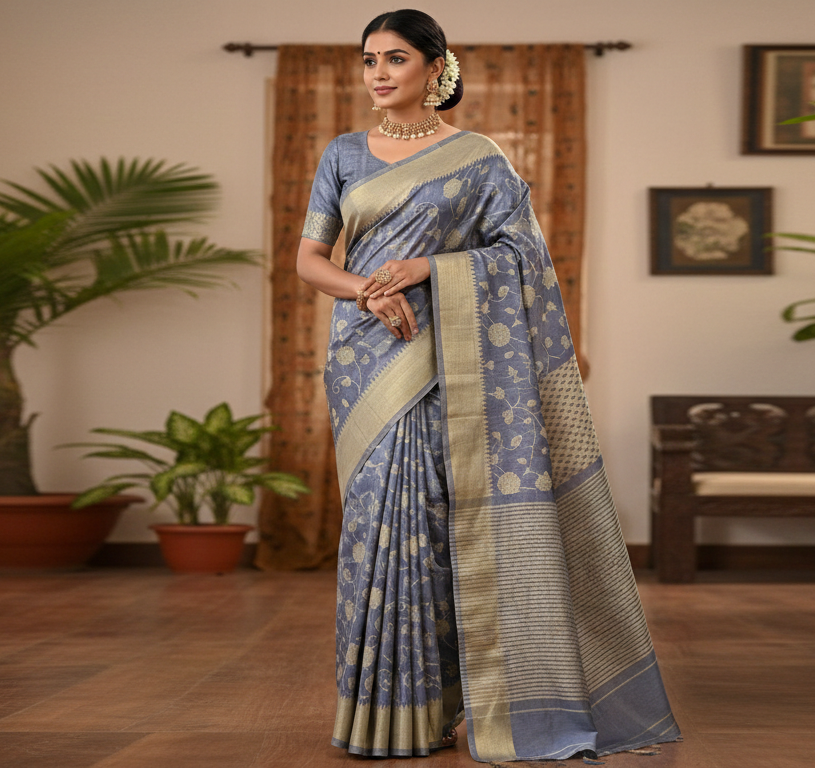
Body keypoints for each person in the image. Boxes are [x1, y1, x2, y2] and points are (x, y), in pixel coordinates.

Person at [295, 9, 680, 763]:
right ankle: (383, 714)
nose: (378, 73)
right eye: (369, 59)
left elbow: (524, 257)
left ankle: (446, 708)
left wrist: (428, 268)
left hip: (450, 362)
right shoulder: (342, 154)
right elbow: (310, 259)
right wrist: (366, 291)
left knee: (441, 528)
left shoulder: (478, 158)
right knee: (377, 530)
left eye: (395, 58)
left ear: (436, 67)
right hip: (365, 360)